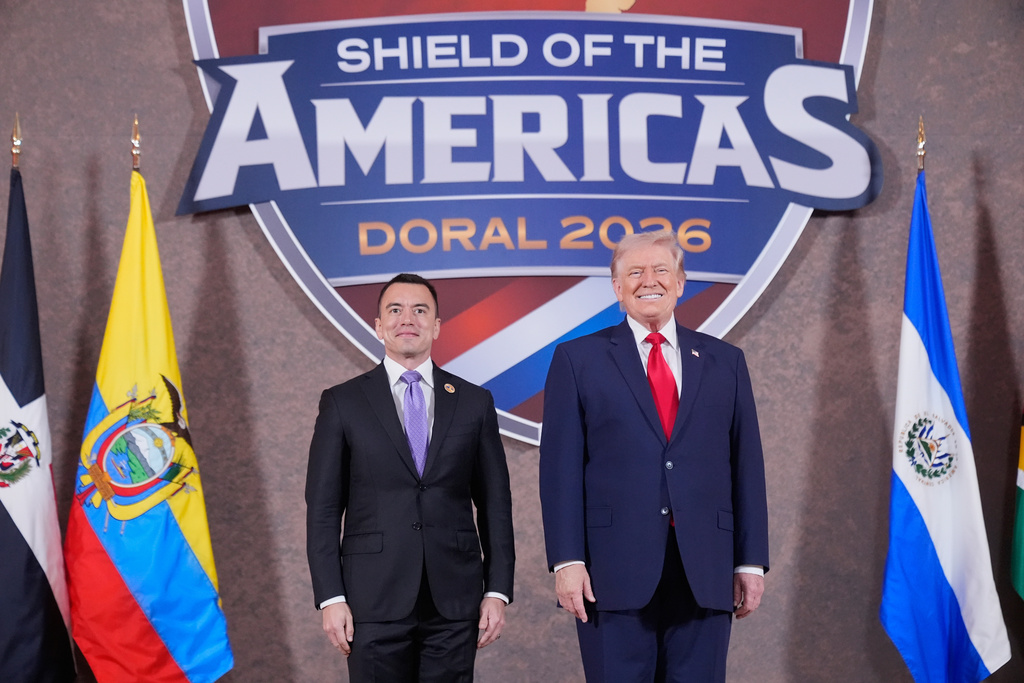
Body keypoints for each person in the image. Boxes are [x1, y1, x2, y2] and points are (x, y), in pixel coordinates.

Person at [539, 229, 769, 682]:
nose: (650, 280)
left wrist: (750, 560)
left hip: (705, 569)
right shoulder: (577, 359)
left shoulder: (726, 362)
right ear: (617, 288)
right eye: (635, 272)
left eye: (661, 270)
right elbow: (560, 470)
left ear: (680, 282)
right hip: (611, 572)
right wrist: (567, 561)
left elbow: (747, 466)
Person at [305, 273, 515, 682]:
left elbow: (495, 503)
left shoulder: (474, 402)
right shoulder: (342, 402)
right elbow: (324, 509)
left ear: (436, 326)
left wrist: (497, 589)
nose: (408, 319)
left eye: (421, 310)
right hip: (371, 600)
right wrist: (330, 596)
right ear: (379, 325)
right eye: (395, 310)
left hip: (454, 600)